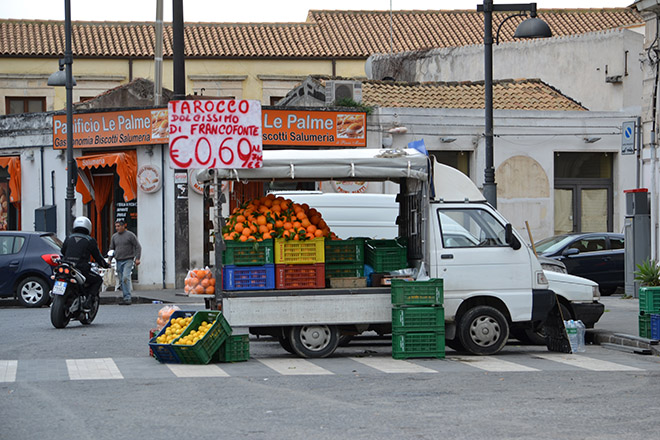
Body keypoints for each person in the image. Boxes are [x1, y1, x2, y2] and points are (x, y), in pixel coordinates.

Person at [60, 216, 110, 311]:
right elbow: (97, 256)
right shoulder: (90, 240)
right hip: (81, 268)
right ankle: (88, 300)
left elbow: (63, 251)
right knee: (98, 280)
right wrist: (105, 265)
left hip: (66, 265)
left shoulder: (68, 238)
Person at [109, 218, 142, 305]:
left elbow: (138, 246)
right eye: (116, 226)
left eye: (119, 226)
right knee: (121, 280)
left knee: (125, 277)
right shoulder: (114, 237)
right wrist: (109, 259)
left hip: (128, 259)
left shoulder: (130, 235)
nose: (117, 228)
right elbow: (112, 249)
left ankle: (127, 297)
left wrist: (137, 258)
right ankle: (125, 296)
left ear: (123, 226)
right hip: (118, 260)